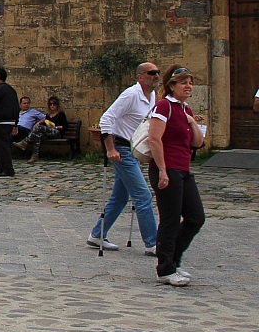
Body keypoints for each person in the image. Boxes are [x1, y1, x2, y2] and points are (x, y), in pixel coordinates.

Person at [87, 62, 161, 253]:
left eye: (157, 72)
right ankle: (152, 243)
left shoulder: (152, 96)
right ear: (140, 77)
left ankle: (97, 234)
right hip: (121, 148)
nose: (156, 75)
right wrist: (110, 149)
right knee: (142, 194)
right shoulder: (131, 95)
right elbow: (106, 119)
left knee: (120, 196)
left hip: (133, 148)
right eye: (151, 73)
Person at [148, 65, 206, 287]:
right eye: (183, 82)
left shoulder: (185, 110)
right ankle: (165, 268)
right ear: (171, 86)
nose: (188, 86)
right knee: (170, 219)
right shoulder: (164, 106)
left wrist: (192, 121)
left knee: (195, 217)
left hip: (184, 169)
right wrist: (162, 170)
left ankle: (174, 259)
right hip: (167, 168)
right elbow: (155, 139)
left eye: (190, 82)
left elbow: (197, 143)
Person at [15, 96, 68, 163]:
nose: (52, 106)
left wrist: (55, 127)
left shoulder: (60, 114)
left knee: (39, 128)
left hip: (57, 132)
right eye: (50, 104)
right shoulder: (48, 115)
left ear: (57, 105)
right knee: (38, 135)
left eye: (54, 104)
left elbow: (65, 126)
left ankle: (24, 142)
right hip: (48, 132)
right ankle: (34, 156)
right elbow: (45, 123)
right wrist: (38, 123)